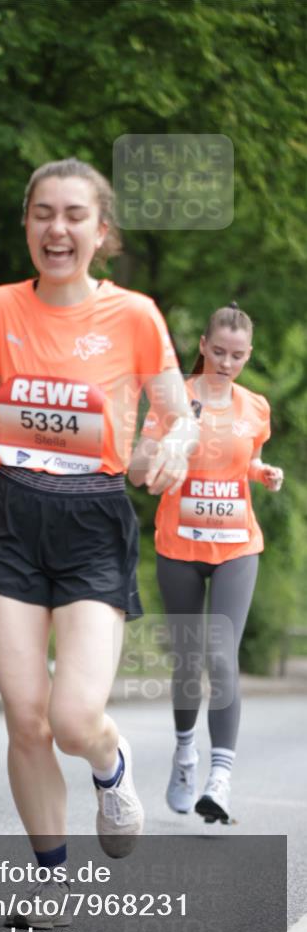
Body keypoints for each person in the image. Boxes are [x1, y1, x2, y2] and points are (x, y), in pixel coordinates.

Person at [0, 158, 199, 924]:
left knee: (73, 718)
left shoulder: (134, 315)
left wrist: (171, 450)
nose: (57, 228)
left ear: (100, 231)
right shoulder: (1, 305)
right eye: (43, 213)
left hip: (91, 519)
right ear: (26, 225)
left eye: (74, 215)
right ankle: (51, 882)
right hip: (12, 513)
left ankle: (110, 766)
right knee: (26, 719)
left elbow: (176, 413)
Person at [129, 302, 283, 824]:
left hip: (238, 544)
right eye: (218, 351)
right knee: (188, 661)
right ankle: (185, 756)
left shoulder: (255, 406)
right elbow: (139, 470)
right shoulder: (175, 399)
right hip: (179, 546)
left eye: (237, 355)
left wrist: (262, 472)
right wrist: (155, 455)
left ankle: (220, 778)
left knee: (221, 654)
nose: (226, 362)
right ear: (202, 345)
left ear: (248, 355)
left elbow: (246, 458)